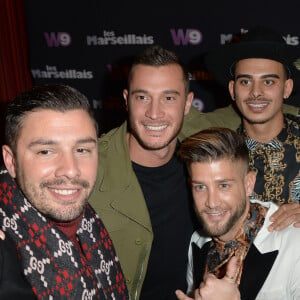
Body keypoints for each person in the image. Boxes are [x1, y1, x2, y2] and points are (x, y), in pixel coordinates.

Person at [89, 44, 300, 300]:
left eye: (169, 98)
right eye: (142, 97)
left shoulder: (203, 149)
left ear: (188, 103)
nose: (154, 113)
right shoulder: (90, 168)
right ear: (126, 100)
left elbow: (262, 109)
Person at [0, 84, 128, 299]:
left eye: (81, 150)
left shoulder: (90, 221)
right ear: (11, 162)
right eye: (46, 151)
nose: (70, 170)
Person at [176, 128, 300, 300]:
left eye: (224, 185)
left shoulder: (295, 244)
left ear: (249, 184)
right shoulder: (197, 241)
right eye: (201, 187)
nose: (211, 202)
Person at [204, 26, 300, 231]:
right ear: (232, 89)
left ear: (287, 88)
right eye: (246, 81)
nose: (256, 92)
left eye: (268, 81)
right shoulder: (220, 154)